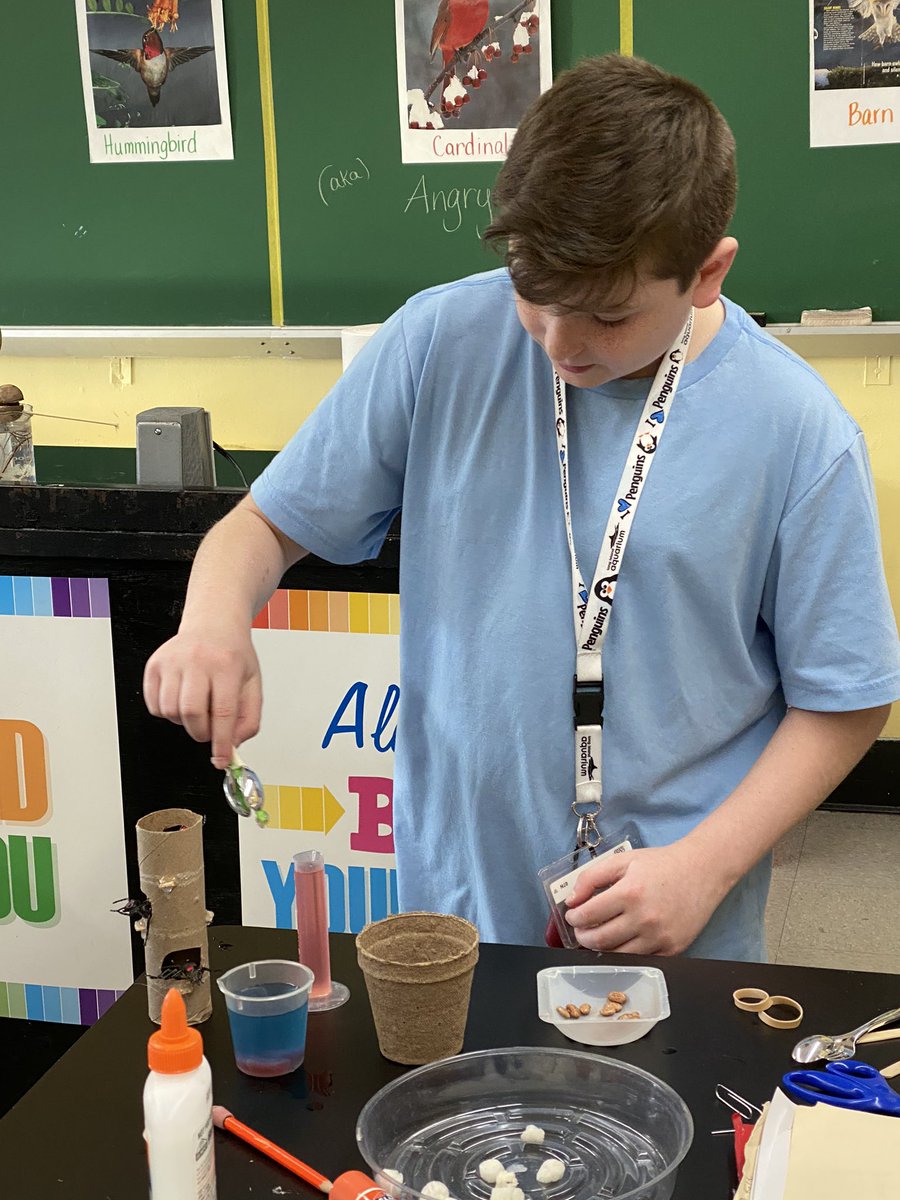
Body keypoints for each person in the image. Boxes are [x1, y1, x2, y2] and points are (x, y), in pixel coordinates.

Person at [144, 54, 900, 961]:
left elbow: (846, 701)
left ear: (708, 272)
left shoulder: (798, 430)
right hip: (458, 906)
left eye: (608, 316)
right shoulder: (436, 342)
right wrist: (212, 621)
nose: (559, 342)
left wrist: (705, 866)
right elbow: (261, 527)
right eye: (531, 294)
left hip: (670, 922)